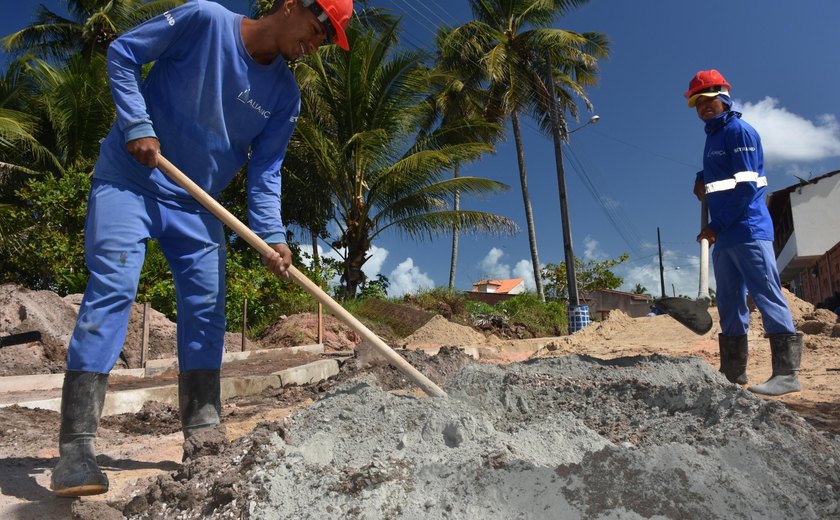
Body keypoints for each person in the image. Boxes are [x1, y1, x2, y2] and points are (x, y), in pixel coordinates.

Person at [50, 0, 352, 497]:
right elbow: (124, 52)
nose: (316, 44)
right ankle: (77, 450)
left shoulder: (285, 95)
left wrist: (272, 236)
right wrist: (136, 124)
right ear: (292, 5)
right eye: (320, 28)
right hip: (132, 181)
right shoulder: (204, 20)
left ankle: (204, 436)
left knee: (209, 311)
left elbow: (266, 171)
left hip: (197, 204)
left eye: (326, 40)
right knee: (114, 287)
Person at [685, 69, 802, 398]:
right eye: (698, 103)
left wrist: (715, 227)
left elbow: (747, 186)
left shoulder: (739, 131)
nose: (704, 107)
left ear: (724, 98)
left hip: (747, 230)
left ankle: (787, 373)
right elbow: (724, 173)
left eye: (709, 100)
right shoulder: (713, 137)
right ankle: (733, 374)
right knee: (729, 303)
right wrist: (701, 175)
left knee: (766, 295)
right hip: (724, 237)